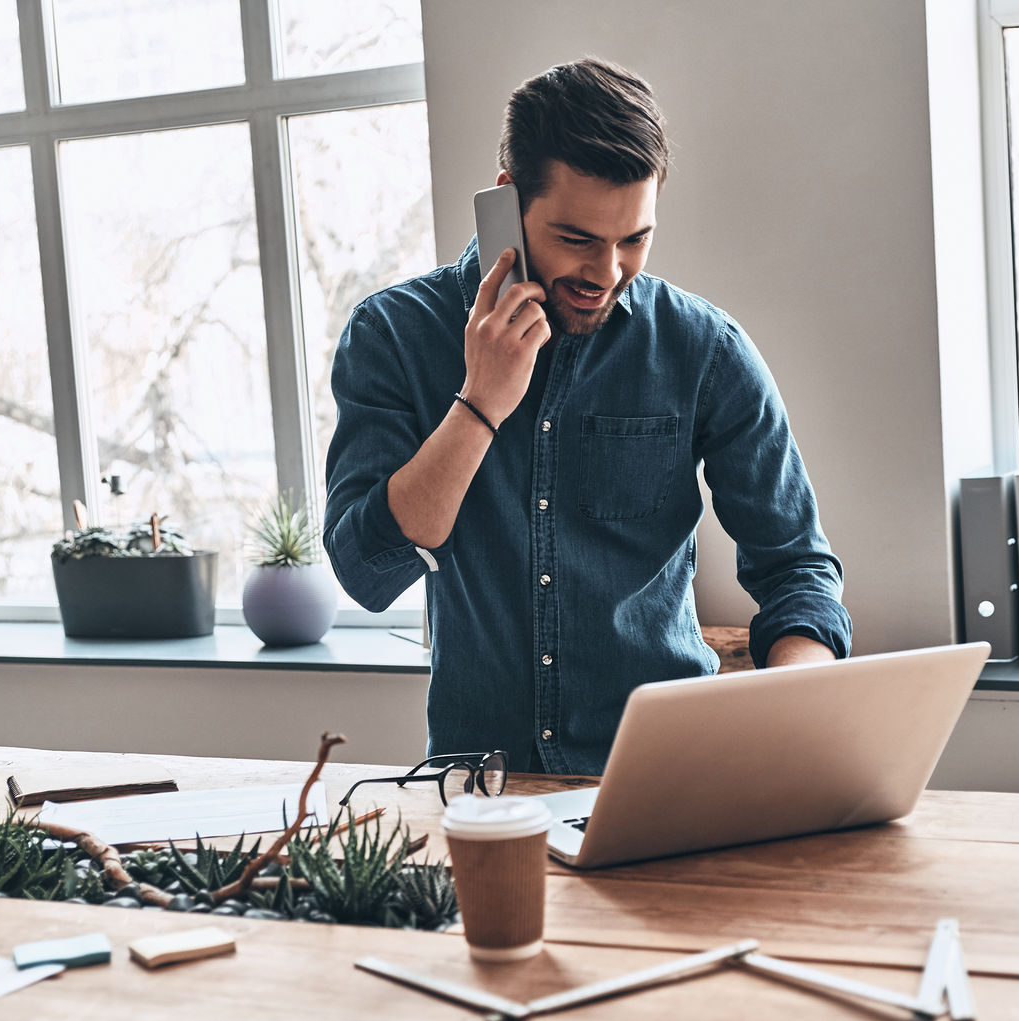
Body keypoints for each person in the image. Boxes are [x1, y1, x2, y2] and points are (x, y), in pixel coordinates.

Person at [323, 57, 851, 776]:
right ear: (507, 200)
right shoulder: (393, 335)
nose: (606, 273)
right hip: (481, 791)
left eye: (634, 239)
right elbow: (366, 572)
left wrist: (793, 696)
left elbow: (798, 570)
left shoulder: (706, 351)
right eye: (577, 239)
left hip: (663, 779)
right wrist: (480, 404)